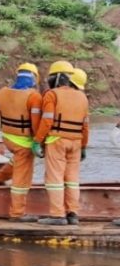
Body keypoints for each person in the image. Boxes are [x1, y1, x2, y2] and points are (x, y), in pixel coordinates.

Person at [33, 60, 89, 226]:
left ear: (56, 77)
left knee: (55, 179)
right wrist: (84, 146)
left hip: (57, 141)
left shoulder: (52, 94)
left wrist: (37, 141)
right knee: (72, 179)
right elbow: (85, 126)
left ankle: (57, 215)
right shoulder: (82, 97)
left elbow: (47, 121)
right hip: (76, 143)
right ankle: (73, 214)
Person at [0, 62, 42, 220]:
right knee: (22, 179)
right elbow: (36, 122)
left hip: (8, 138)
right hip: (25, 142)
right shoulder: (34, 96)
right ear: (34, 78)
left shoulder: (2, 92)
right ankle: (17, 213)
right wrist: (39, 141)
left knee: (17, 160)